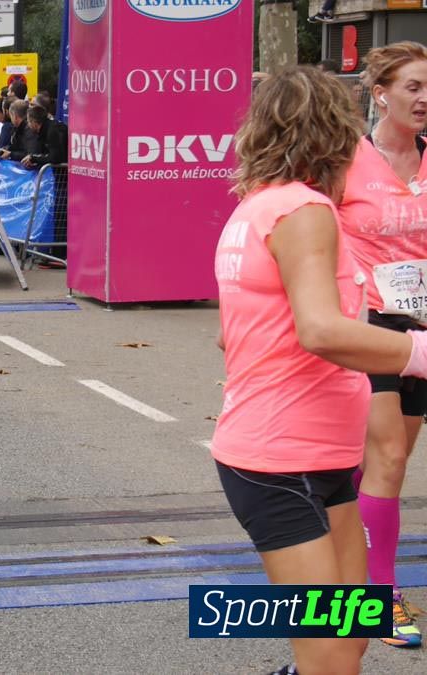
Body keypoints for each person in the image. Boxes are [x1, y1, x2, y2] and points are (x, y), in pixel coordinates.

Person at [213, 65, 427, 675]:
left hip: (323, 461)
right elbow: (321, 330)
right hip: (281, 465)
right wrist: (418, 353)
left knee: (350, 639)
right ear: (335, 132)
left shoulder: (258, 205)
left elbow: (230, 336)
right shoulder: (304, 210)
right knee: (331, 657)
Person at [334, 41, 427, 650]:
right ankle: (378, 596)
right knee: (388, 457)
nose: (424, 99)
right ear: (381, 94)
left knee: (386, 461)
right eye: (413, 87)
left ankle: (338, 527)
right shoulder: (347, 161)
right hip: (370, 326)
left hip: (424, 326)